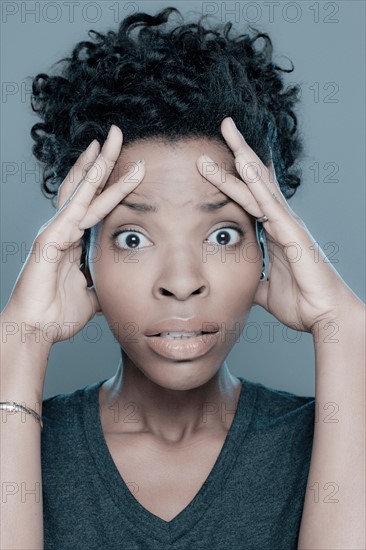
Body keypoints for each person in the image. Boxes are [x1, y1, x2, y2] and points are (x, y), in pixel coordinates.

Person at [1, 6, 364, 550]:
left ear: (268, 248)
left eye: (222, 235)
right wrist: (19, 340)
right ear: (82, 256)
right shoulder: (20, 438)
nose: (181, 281)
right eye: (132, 238)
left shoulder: (337, 436)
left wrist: (346, 326)